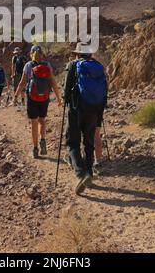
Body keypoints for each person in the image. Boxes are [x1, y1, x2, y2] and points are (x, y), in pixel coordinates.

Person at [63, 43, 108, 195]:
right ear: (90, 54)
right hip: (94, 110)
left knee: (71, 142)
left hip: (77, 110)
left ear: (78, 54)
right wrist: (99, 114)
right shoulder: (99, 67)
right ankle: (89, 171)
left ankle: (82, 174)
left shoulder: (73, 65)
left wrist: (66, 100)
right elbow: (105, 92)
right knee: (88, 143)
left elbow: (66, 92)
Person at [13, 44, 62, 158]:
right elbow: (53, 83)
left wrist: (15, 96)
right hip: (44, 97)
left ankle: (35, 148)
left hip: (32, 97)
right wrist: (59, 99)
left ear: (31, 54)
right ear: (42, 54)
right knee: (42, 120)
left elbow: (22, 83)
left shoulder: (28, 65)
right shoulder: (47, 65)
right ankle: (43, 140)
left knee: (34, 123)